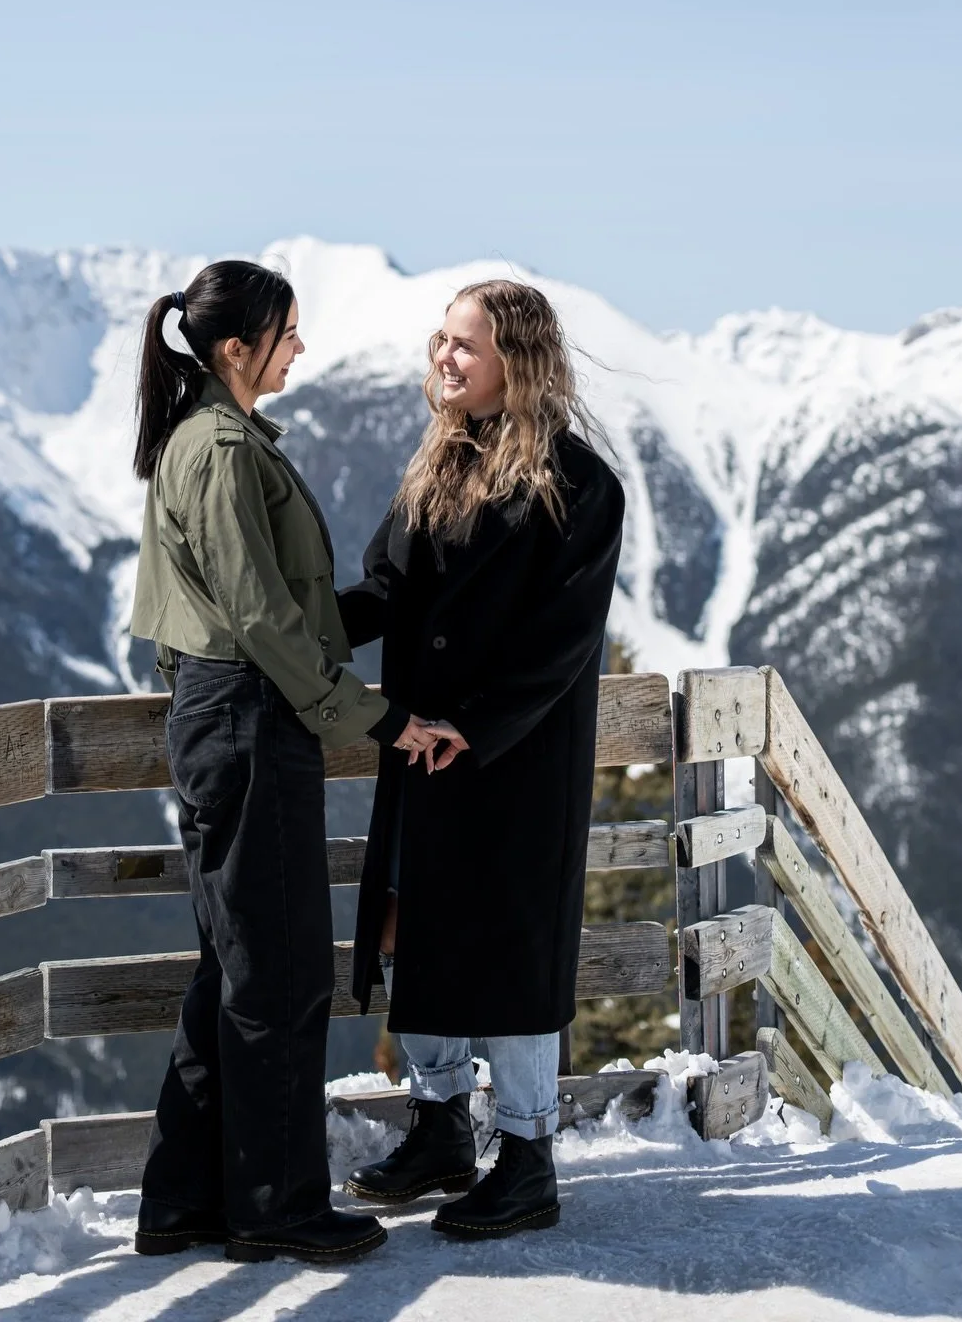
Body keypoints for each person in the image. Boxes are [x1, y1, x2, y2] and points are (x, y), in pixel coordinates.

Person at [128, 260, 438, 1264]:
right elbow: (259, 619)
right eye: (288, 332)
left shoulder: (219, 439)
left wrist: (380, 611)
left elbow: (274, 606)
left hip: (239, 717)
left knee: (238, 966)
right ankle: (275, 1205)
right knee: (284, 972)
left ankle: (186, 1199)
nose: (301, 347)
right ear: (236, 348)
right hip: (251, 722)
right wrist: (378, 719)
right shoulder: (220, 450)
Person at [339, 279, 625, 1240]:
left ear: (520, 360)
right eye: (442, 341)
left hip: (513, 766)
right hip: (425, 755)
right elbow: (383, 589)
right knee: (411, 932)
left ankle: (529, 1158)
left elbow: (565, 639)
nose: (445, 359)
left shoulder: (583, 486)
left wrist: (481, 723)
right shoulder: (436, 468)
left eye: (465, 345)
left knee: (510, 954)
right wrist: (292, 632)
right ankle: (437, 1131)